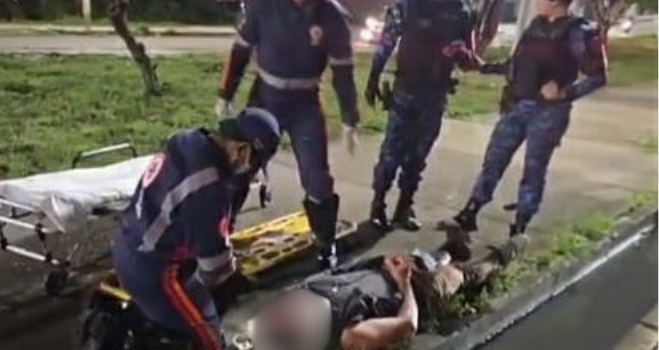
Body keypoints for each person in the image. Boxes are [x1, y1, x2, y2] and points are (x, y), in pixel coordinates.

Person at [111, 108, 281, 350]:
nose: (251, 172)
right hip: (153, 269)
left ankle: (159, 317)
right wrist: (231, 279)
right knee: (210, 346)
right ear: (243, 150)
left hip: (130, 239)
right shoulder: (208, 190)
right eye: (255, 164)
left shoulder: (189, 139)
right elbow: (215, 271)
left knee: (199, 298)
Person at [237, 232, 524, 350]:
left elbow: (341, 274)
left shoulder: (298, 297)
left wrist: (382, 263)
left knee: (423, 257)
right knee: (457, 276)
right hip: (413, 294)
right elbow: (407, 325)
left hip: (382, 271)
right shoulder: (351, 336)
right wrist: (405, 283)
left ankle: (447, 251)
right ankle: (498, 260)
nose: (285, 314)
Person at [216, 0, 360, 270]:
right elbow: (241, 50)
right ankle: (219, 234)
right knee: (239, 167)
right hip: (265, 98)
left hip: (305, 103)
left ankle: (325, 242)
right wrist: (226, 93)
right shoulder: (264, 5)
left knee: (317, 178)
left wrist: (350, 118)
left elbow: (343, 71)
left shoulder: (332, 16)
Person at [446, 0, 608, 237]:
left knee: (534, 170)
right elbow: (516, 66)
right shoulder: (536, 25)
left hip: (547, 113)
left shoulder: (578, 31)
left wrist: (565, 93)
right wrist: (483, 68)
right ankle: (471, 211)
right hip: (517, 105)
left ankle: (520, 226)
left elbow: (599, 76)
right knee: (493, 160)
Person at [365, 0, 479, 231]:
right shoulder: (407, 7)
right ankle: (378, 206)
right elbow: (386, 42)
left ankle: (404, 207)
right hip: (405, 91)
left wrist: (462, 54)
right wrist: (374, 77)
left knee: (418, 156)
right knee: (391, 153)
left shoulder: (463, 11)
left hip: (435, 94)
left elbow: (470, 57)